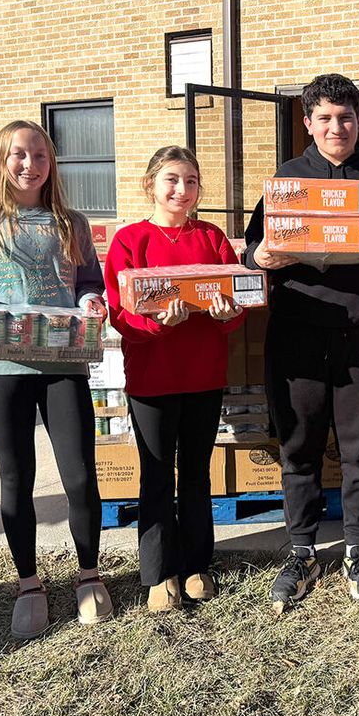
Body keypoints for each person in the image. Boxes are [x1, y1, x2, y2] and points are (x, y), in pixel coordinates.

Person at [244, 73, 359, 612]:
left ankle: (357, 549)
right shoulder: (287, 179)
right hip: (298, 330)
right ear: (307, 124)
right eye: (323, 118)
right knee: (298, 445)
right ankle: (301, 551)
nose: (335, 127)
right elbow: (256, 244)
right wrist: (262, 259)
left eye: (345, 117)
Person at [0, 120, 112, 639]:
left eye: (39, 154)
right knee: (17, 477)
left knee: (80, 475)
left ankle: (88, 574)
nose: (29, 164)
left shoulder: (71, 223)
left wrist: (90, 302)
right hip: (0, 363)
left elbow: (87, 282)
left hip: (63, 363)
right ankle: (29, 583)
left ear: (51, 161)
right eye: (18, 154)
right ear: (1, 159)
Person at [104, 146, 245, 612]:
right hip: (152, 377)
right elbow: (120, 316)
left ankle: (197, 564)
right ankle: (159, 572)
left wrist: (228, 314)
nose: (181, 190)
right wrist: (157, 325)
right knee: (157, 474)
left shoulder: (212, 237)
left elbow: (234, 304)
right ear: (151, 185)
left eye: (190, 181)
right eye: (171, 180)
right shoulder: (130, 242)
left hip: (204, 374)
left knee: (198, 472)